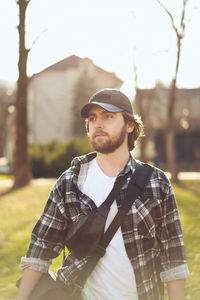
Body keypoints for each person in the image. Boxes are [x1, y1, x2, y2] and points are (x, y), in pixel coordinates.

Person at [17, 88, 189, 300]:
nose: (97, 124)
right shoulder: (70, 182)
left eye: (108, 116)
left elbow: (174, 259)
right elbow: (39, 251)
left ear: (130, 125)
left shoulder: (156, 182)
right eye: (92, 118)